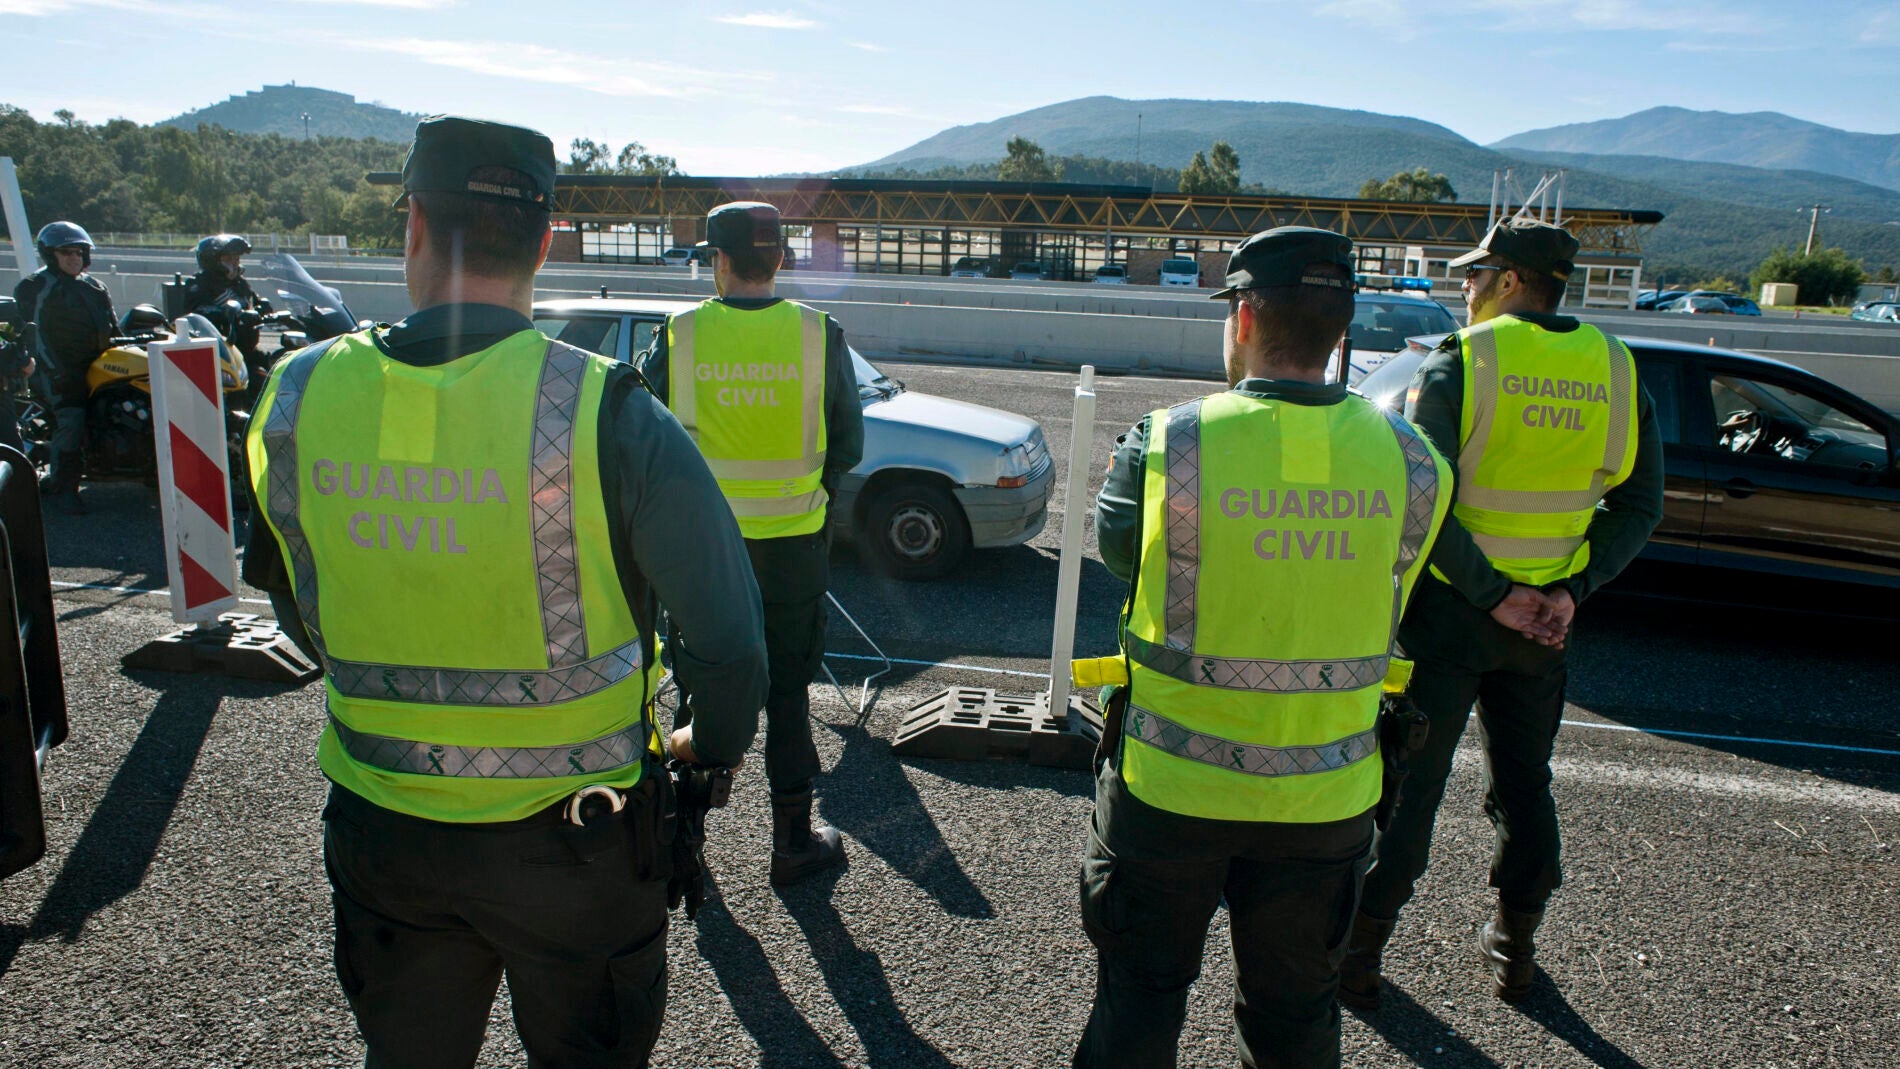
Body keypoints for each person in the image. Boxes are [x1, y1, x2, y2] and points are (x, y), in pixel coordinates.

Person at [243, 115, 770, 1068]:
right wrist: (712, 743)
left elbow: (293, 595)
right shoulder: (607, 411)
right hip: (578, 848)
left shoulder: (296, 397)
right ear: (541, 243)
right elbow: (730, 641)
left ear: (410, 227)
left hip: (383, 830)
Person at [1077, 227, 1453, 1069]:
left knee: (1138, 1002)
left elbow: (1118, 555)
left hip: (1169, 787)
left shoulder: (1168, 442)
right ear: (1343, 327)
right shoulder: (1416, 463)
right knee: (1294, 1020)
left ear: (1242, 314)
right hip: (1326, 799)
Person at [1339, 219, 1664, 1008]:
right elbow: (1639, 503)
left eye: (1478, 275)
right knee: (1524, 786)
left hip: (1453, 616)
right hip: (1543, 630)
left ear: (1513, 280)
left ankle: (1358, 955)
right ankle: (1515, 947)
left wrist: (1494, 594)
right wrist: (1564, 594)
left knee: (1410, 787)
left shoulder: (1467, 357)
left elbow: (1425, 499)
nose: (1467, 287)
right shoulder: (1616, 367)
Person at [638, 200, 865, 887]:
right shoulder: (817, 334)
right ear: (779, 259)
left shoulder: (679, 336)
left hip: (703, 556)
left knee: (701, 688)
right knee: (789, 695)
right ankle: (793, 842)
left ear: (722, 261)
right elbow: (847, 445)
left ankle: (687, 843)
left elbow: (643, 443)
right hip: (794, 551)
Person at [13, 221, 115, 512]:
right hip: (53, 368)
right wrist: (56, 373)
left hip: (96, 366)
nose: (74, 258)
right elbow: (33, 335)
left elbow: (113, 329)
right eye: (66, 252)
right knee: (71, 416)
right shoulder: (35, 287)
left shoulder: (96, 287)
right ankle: (64, 487)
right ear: (50, 255)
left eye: (79, 252)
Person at [184, 233, 271, 378]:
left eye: (236, 259)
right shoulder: (199, 284)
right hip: (221, 351)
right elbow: (197, 313)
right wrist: (226, 312)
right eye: (228, 259)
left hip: (246, 346)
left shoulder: (239, 283)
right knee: (254, 381)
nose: (235, 263)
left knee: (274, 368)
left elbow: (253, 301)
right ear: (212, 261)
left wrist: (264, 308)